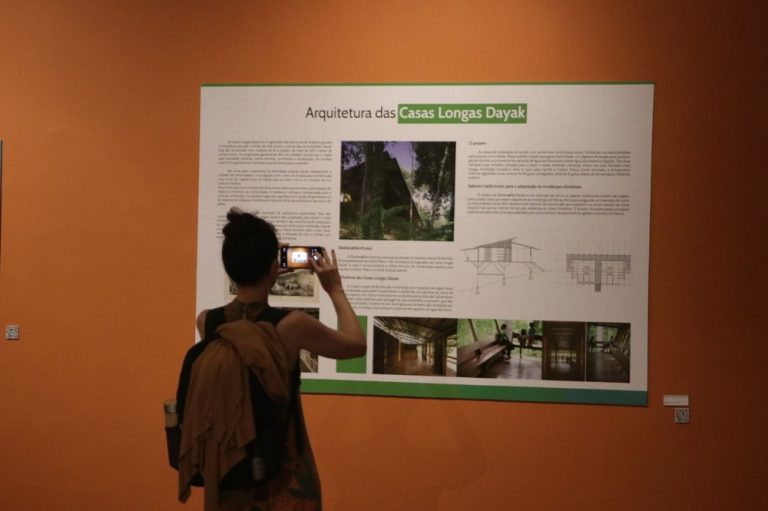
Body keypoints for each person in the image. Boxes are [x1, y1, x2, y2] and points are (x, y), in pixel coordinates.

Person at [177, 209, 366, 511]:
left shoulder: (208, 322)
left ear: (229, 266)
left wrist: (264, 261)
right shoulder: (292, 326)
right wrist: (335, 289)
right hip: (285, 475)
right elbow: (356, 344)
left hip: (231, 470)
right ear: (274, 268)